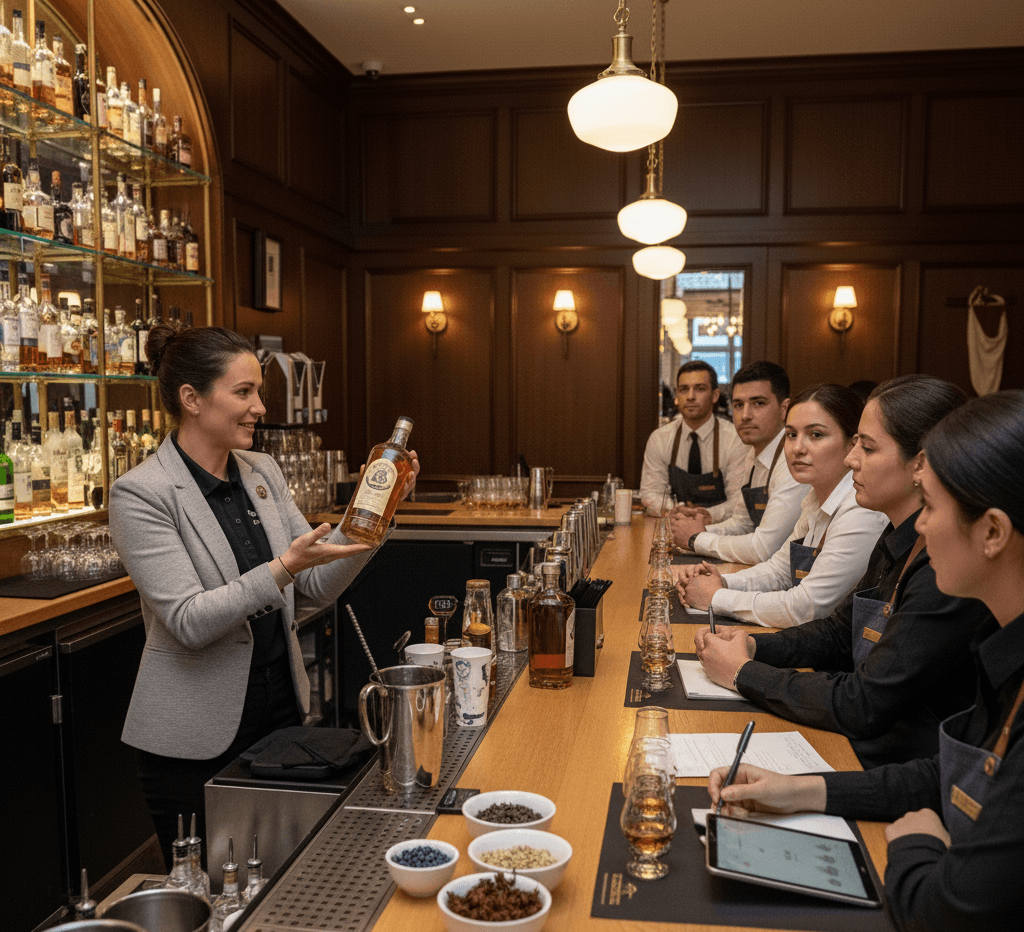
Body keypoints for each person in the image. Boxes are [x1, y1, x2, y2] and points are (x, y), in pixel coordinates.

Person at [707, 390, 1024, 931]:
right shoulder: (1001, 646)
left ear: (992, 531)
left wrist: (916, 844)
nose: (919, 527)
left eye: (930, 507)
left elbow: (947, 911)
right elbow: (945, 776)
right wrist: (801, 790)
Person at [108, 325, 420, 864]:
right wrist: (282, 567)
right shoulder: (141, 493)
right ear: (192, 399)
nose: (259, 406)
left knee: (280, 876)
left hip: (280, 712)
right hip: (192, 739)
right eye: (243, 392)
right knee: (213, 891)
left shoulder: (261, 471)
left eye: (259, 392)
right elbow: (188, 620)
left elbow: (313, 585)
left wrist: (379, 516)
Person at [695, 374, 991, 765]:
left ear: (921, 463)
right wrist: (754, 646)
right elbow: (840, 630)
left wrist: (745, 672)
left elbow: (865, 702)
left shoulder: (946, 566)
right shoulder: (896, 533)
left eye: (866, 447)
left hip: (896, 758)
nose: (852, 459)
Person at [678, 384, 889, 628]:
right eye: (791, 435)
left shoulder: (860, 510)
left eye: (816, 435)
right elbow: (780, 571)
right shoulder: (814, 497)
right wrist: (719, 581)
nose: (797, 448)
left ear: (851, 445)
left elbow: (808, 606)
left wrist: (716, 597)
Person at [671, 361, 805, 565]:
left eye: (758, 403)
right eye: (738, 405)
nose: (745, 416)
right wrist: (698, 530)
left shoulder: (794, 461)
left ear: (784, 409)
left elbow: (762, 549)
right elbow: (742, 523)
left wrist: (696, 538)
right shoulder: (753, 453)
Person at [640, 360, 747, 520]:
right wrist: (676, 511)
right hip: (675, 526)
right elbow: (650, 494)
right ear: (677, 395)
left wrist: (706, 514)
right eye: (684, 389)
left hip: (720, 533)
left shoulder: (734, 439)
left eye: (700, 389)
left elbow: (739, 502)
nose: (690, 397)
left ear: (715, 395)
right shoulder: (660, 439)